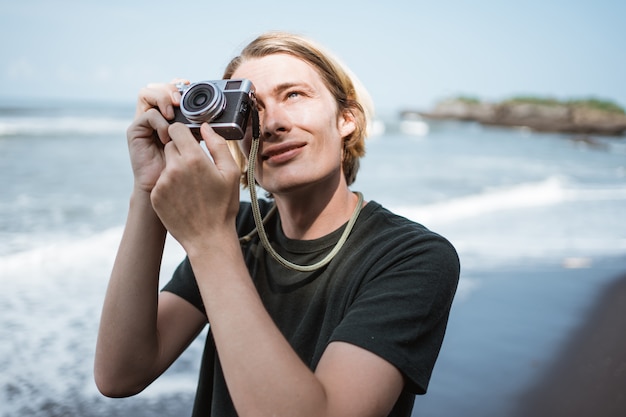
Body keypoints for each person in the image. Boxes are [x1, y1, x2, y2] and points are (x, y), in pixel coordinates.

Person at [94, 31, 460, 417]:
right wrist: (148, 188)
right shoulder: (238, 229)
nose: (271, 125)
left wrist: (209, 241)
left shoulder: (411, 256)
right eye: (250, 109)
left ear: (346, 120)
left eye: (294, 95)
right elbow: (120, 374)